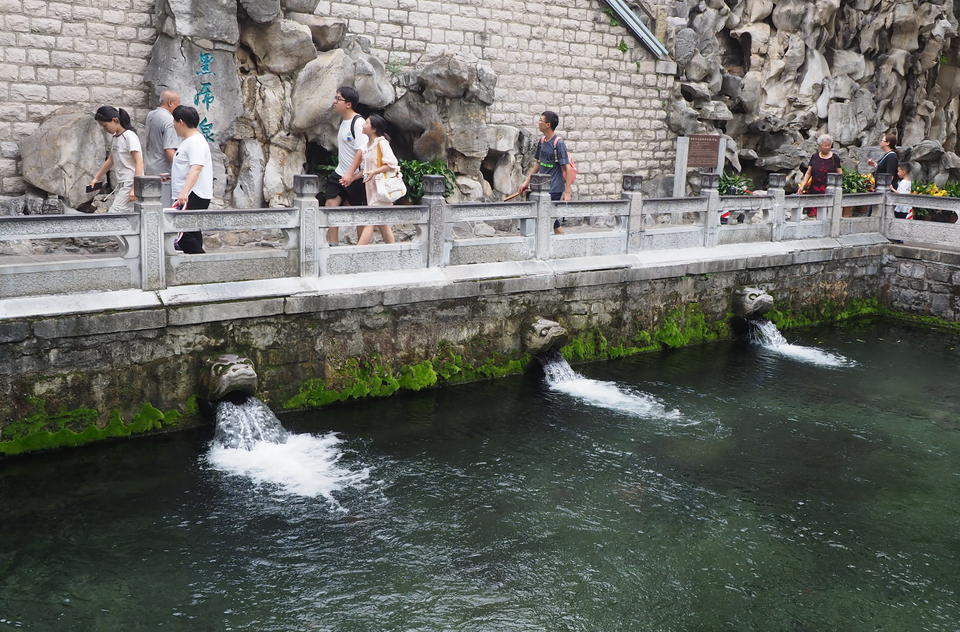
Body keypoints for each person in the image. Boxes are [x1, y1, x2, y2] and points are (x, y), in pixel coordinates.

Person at [324, 86, 368, 245]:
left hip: (355, 176)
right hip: (340, 173)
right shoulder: (343, 121)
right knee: (330, 206)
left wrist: (350, 174)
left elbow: (361, 151)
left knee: (359, 215)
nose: (334, 102)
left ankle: (360, 250)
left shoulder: (358, 122)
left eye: (338, 99)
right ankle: (333, 246)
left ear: (348, 104)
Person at [517, 111, 572, 234]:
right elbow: (538, 163)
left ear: (548, 124)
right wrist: (526, 181)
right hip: (541, 188)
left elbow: (567, 168)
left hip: (555, 187)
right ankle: (561, 242)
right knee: (549, 221)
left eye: (541, 120)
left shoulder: (559, 143)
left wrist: (567, 192)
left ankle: (555, 244)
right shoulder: (542, 141)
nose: (538, 122)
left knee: (546, 220)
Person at [170, 105, 213, 254]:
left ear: (180, 122)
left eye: (174, 122)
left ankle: (204, 266)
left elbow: (196, 168)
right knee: (192, 232)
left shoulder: (195, 141)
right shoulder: (190, 141)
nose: (173, 125)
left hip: (192, 195)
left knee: (182, 234)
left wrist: (184, 192)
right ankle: (199, 269)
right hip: (190, 194)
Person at [90, 106, 143, 213]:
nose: (105, 129)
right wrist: (96, 178)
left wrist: (135, 188)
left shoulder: (129, 136)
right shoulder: (115, 137)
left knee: (114, 214)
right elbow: (110, 160)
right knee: (127, 215)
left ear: (115, 120)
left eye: (105, 126)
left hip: (130, 183)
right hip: (121, 184)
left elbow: (139, 162)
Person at [358, 114, 397, 246]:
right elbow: (366, 170)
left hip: (380, 189)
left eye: (366, 123)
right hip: (371, 189)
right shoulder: (367, 146)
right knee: (383, 224)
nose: (363, 125)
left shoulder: (381, 143)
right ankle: (394, 253)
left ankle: (354, 255)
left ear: (373, 129)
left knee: (371, 220)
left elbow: (392, 164)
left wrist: (375, 171)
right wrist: (351, 178)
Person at [144, 90, 181, 208]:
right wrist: (181, 169)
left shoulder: (151, 115)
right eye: (177, 104)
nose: (178, 107)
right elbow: (169, 150)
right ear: (170, 103)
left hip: (150, 168)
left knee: (151, 207)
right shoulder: (169, 121)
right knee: (164, 209)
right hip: (164, 173)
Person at [800, 134, 841, 219]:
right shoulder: (814, 157)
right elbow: (808, 173)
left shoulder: (835, 158)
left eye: (829, 145)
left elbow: (840, 173)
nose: (827, 147)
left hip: (828, 191)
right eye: (825, 145)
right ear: (819, 146)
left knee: (826, 215)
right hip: (814, 190)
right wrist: (803, 184)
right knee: (812, 216)